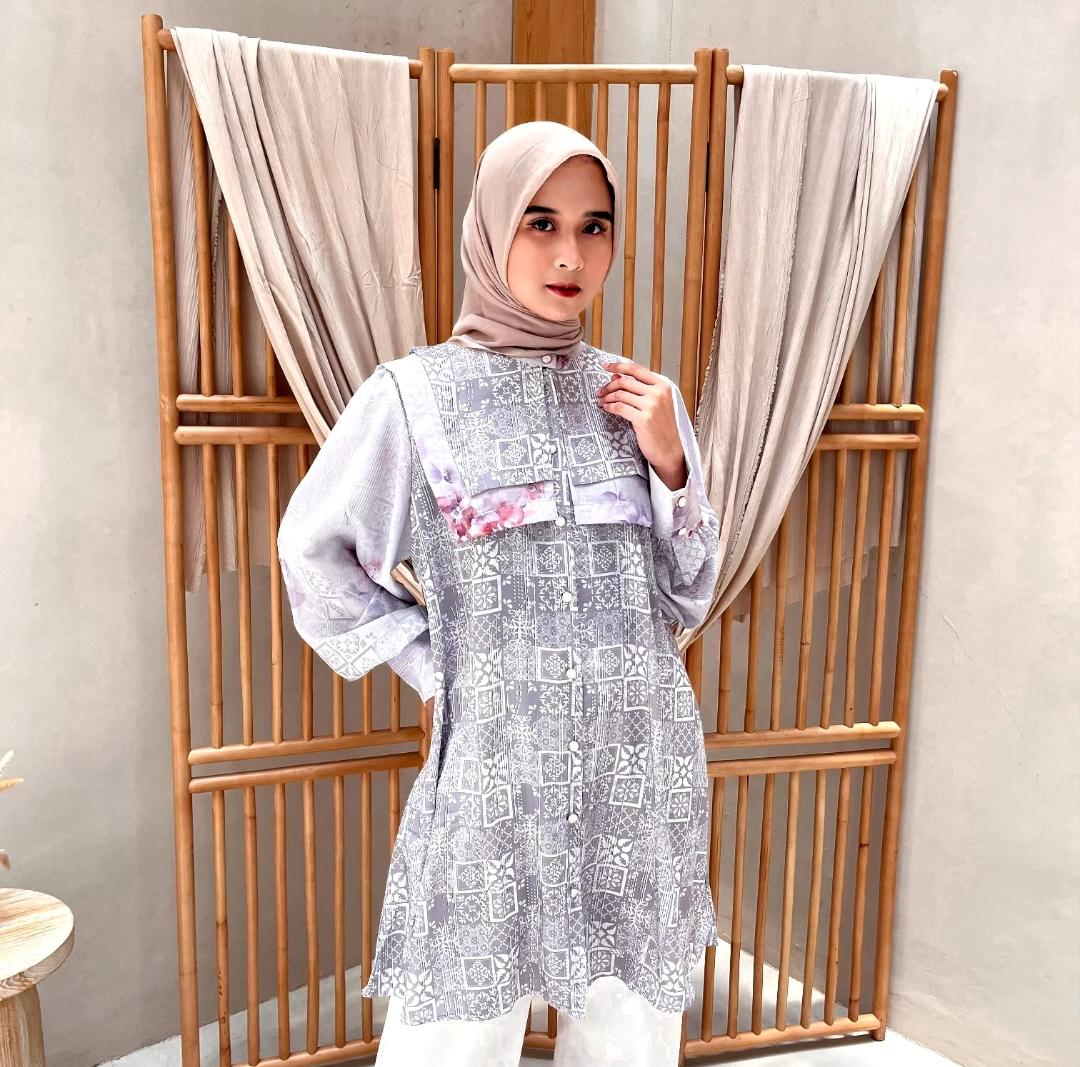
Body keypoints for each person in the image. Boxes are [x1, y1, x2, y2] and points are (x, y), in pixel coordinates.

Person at [276, 119, 721, 1067]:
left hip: (639, 762)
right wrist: (435, 666)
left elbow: (686, 595)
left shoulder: (639, 399)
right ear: (491, 228)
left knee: (629, 1033)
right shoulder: (413, 397)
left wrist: (672, 464)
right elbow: (313, 552)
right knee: (453, 1032)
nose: (570, 256)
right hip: (496, 766)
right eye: (540, 222)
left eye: (595, 227)